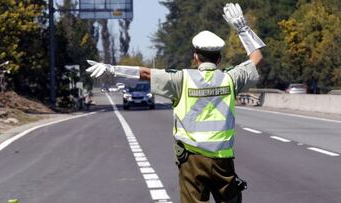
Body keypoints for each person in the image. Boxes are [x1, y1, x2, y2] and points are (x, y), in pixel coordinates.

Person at [86, 3, 265, 203]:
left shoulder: (181, 80)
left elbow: (145, 73)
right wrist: (242, 28)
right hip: (223, 160)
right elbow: (256, 57)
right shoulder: (230, 79)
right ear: (220, 58)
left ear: (195, 57)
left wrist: (112, 70)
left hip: (192, 160)